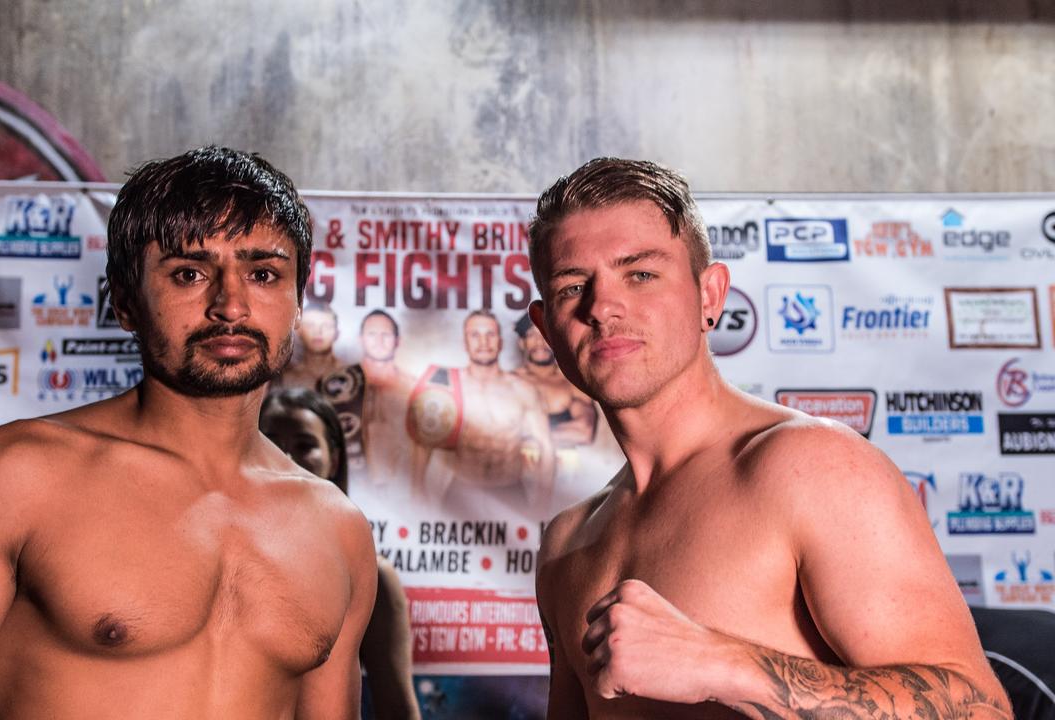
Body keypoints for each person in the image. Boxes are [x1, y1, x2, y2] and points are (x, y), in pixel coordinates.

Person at [0, 146, 377, 719]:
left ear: (297, 301)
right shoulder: (16, 476)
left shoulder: (338, 530)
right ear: (125, 302)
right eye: (190, 273)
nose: (231, 305)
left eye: (263, 273)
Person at [527, 158, 1009, 719]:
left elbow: (981, 710)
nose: (603, 305)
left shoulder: (810, 467)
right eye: (573, 286)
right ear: (545, 329)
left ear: (710, 296)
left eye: (640, 274)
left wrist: (722, 665)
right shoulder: (566, 544)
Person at [260, 387, 421, 720]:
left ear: (333, 458)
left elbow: (397, 708)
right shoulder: (217, 556)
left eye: (305, 445)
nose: (287, 459)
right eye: (272, 443)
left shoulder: (371, 575)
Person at [409, 310, 555, 516]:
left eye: (490, 334)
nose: (483, 342)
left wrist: (543, 500)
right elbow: (424, 442)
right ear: (465, 342)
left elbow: (546, 448)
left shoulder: (522, 390)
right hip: (463, 490)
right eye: (475, 335)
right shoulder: (448, 387)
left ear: (501, 342)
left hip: (511, 490)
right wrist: (417, 489)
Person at [319, 310, 416, 494]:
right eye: (372, 334)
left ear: (398, 340)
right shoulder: (337, 386)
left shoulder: (414, 388)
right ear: (360, 339)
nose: (379, 341)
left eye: (385, 334)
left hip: (402, 493)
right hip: (346, 490)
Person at [511, 312, 597, 448]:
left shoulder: (572, 382)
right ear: (522, 343)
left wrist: (528, 437)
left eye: (544, 334)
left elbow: (584, 432)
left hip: (565, 467)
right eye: (532, 335)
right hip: (515, 468)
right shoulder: (509, 382)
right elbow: (495, 434)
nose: (539, 342)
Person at [278, 301, 346, 390]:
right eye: (310, 325)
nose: (318, 332)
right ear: (299, 332)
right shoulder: (285, 377)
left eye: (326, 326)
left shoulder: (351, 375)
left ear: (337, 333)